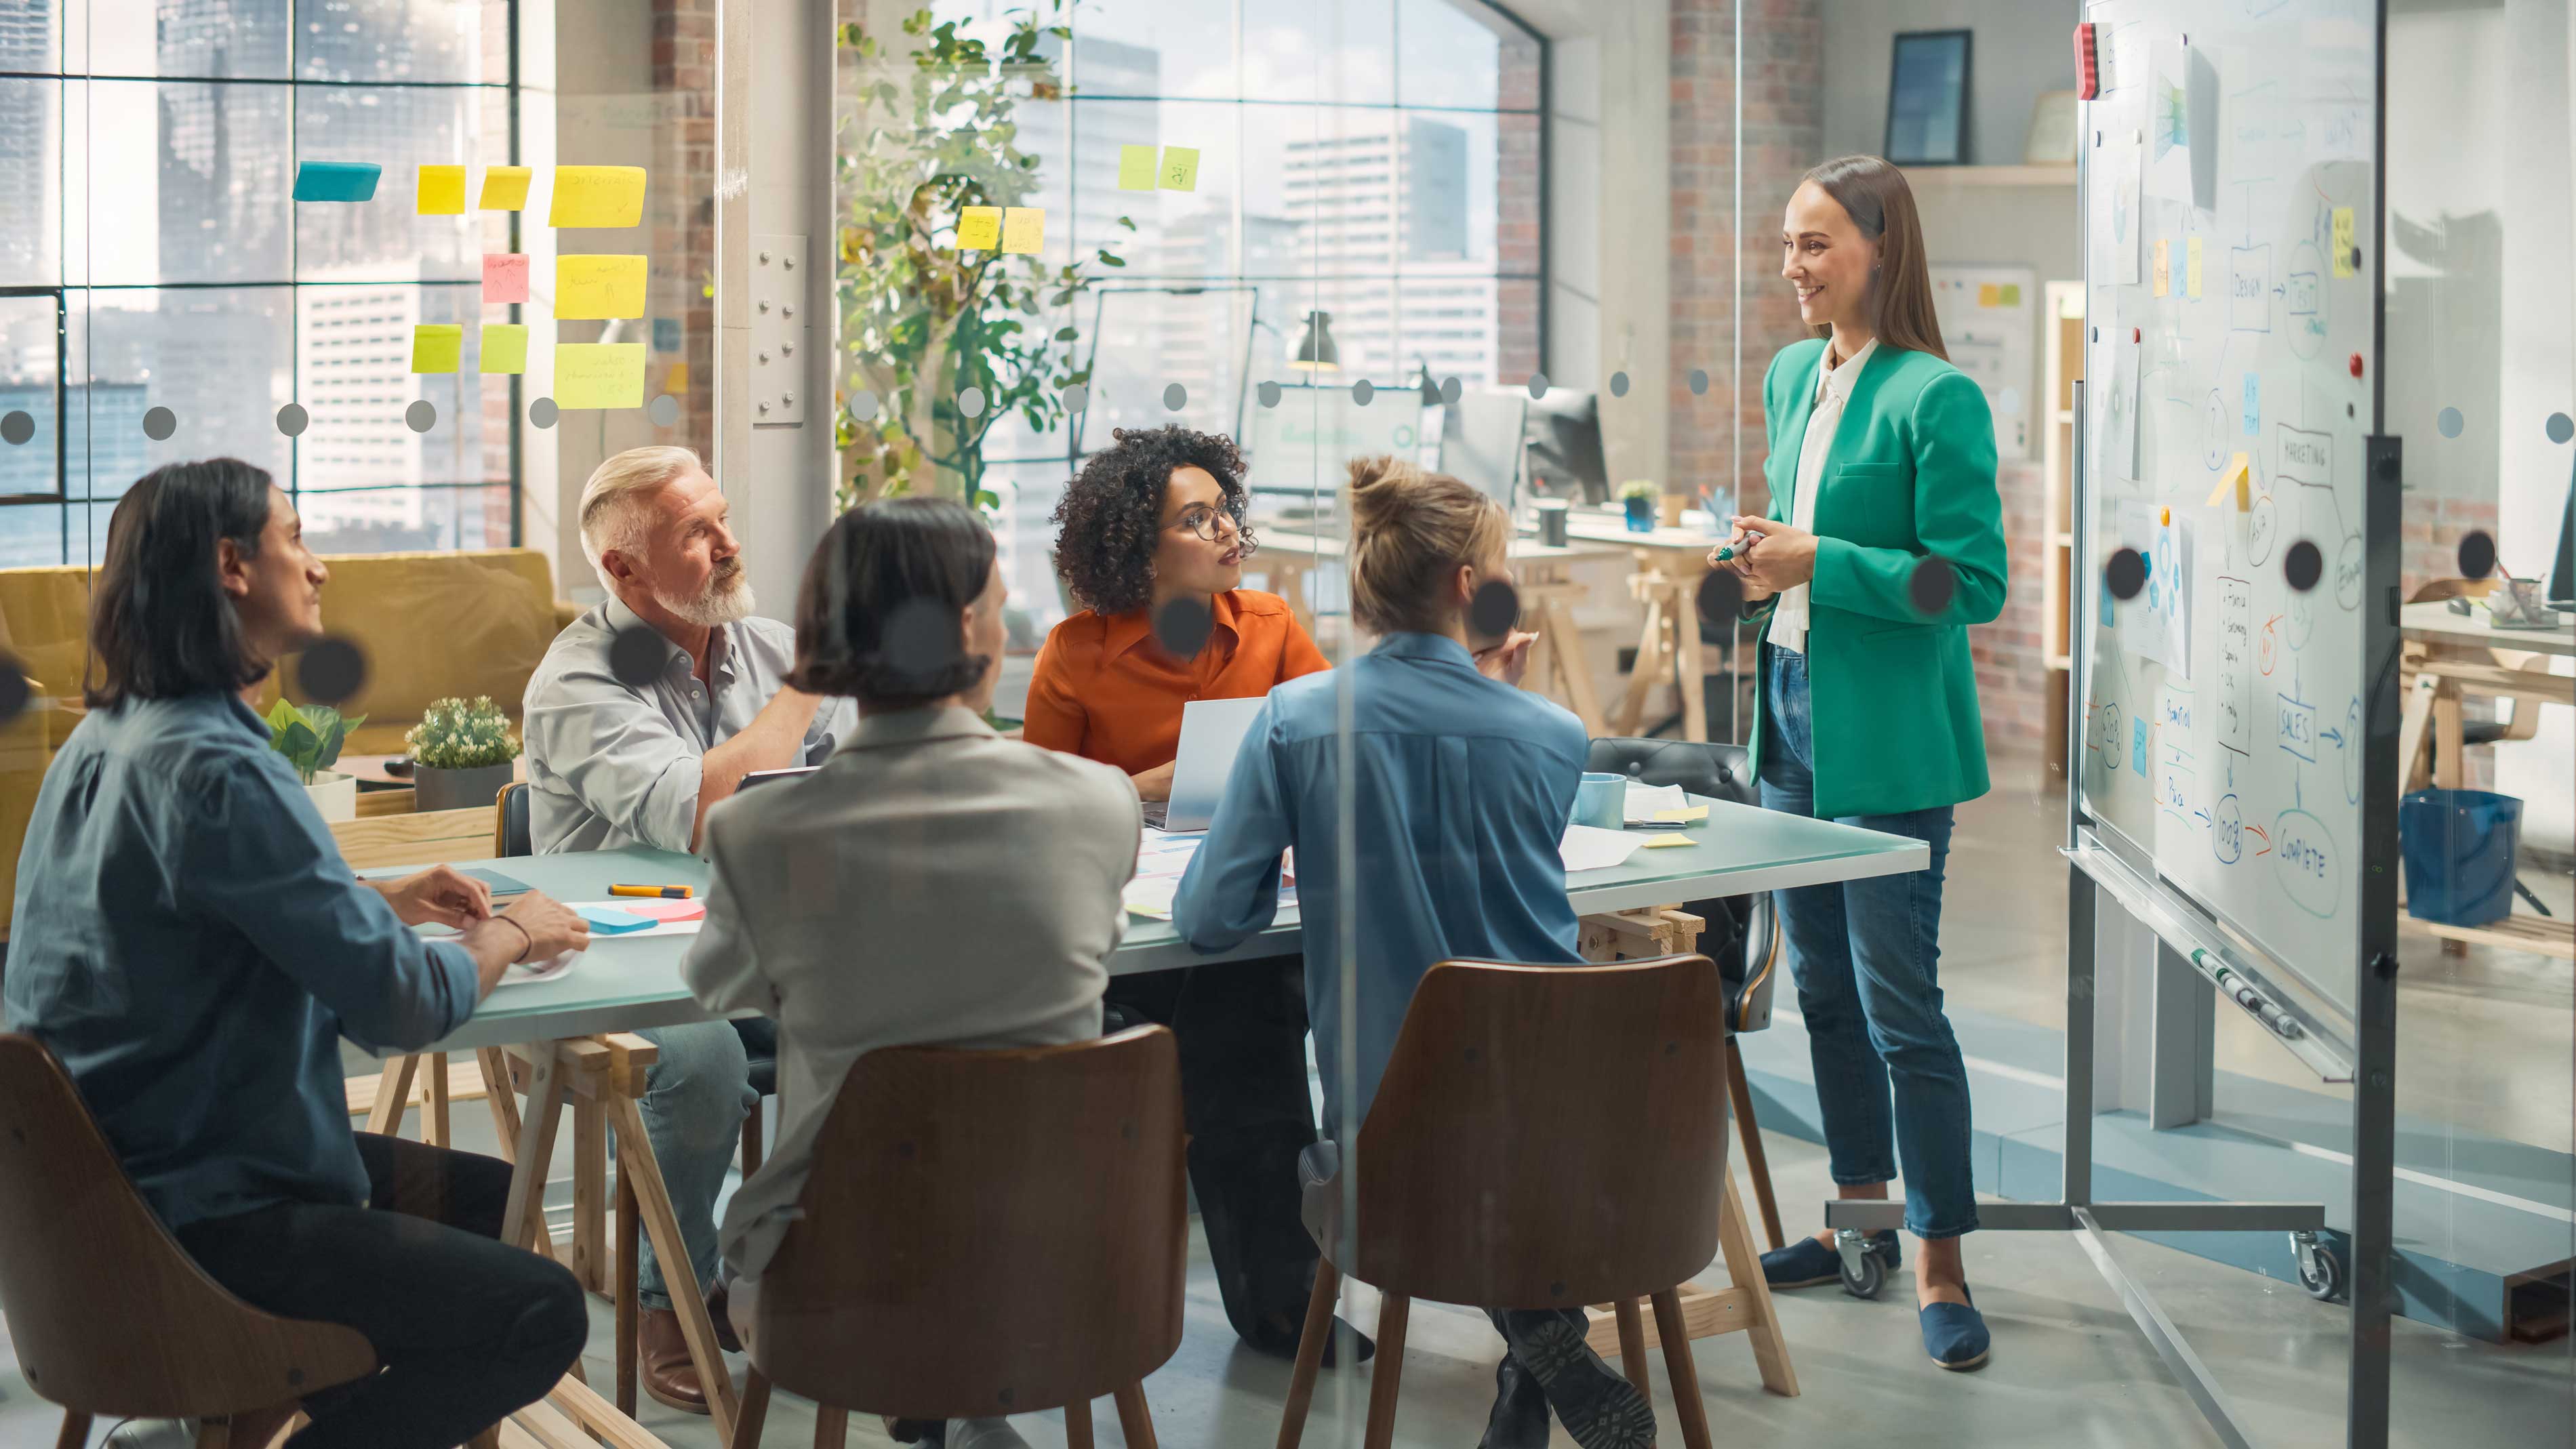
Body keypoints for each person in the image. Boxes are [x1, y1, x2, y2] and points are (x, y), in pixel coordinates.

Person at [3, 459, 593, 1449]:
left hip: (101, 1206)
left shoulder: (108, 739)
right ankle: (260, 1392)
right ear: (233, 566)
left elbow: (177, 913)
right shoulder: (219, 765)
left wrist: (372, 896)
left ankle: (256, 1403)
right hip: (212, 1220)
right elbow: (402, 1004)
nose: (318, 568)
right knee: (541, 1310)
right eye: (296, 539)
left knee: (491, 1198)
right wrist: (514, 929)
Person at [1171, 457, 1655, 1449]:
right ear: (1472, 591)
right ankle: (1535, 1346)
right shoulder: (1554, 734)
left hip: (1396, 1166)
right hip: (1572, 1142)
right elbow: (1478, 846)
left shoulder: (1297, 722)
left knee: (1410, 1142)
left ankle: (1535, 1343)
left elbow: (1210, 919)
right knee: (1500, 1145)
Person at [685, 497, 1136, 1449]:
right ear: (969, 627)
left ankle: (947, 1410)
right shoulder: (1098, 804)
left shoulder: (760, 831)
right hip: (1075, 1266)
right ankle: (966, 1416)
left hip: (841, 1278)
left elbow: (720, 988)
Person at [1707, 154, 2007, 1371]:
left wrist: (1820, 558)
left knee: (1900, 1007)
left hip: (1887, 743)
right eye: (1788, 245)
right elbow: (1804, 549)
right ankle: (1862, 1221)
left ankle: (1940, 1255)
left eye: (1815, 245)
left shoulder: (1940, 398)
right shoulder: (1792, 375)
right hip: (1791, 711)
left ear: (1881, 248)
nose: (1793, 267)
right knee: (1822, 992)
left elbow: (1966, 583)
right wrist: (1764, 559)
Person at [521, 445, 856, 1412]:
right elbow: (702, 813)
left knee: (901, 1018)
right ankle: (669, 1293)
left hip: (765, 938)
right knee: (705, 1063)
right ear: (622, 570)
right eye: (697, 534)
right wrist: (816, 681)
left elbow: (848, 787)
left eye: (723, 518)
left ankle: (845, 1273)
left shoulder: (767, 647)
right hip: (615, 963)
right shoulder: (580, 678)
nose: (730, 544)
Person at [1020, 425, 1361, 1362]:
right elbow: (1037, 813)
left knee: (1245, 1002)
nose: (1227, 531)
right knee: (1236, 1018)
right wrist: (1143, 787)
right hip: (1128, 934)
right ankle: (1278, 1303)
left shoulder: (1272, 626)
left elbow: (1337, 749)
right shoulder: (1074, 652)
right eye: (1197, 517)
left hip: (1253, 909)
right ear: (1140, 541)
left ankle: (1282, 1301)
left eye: (1226, 510)